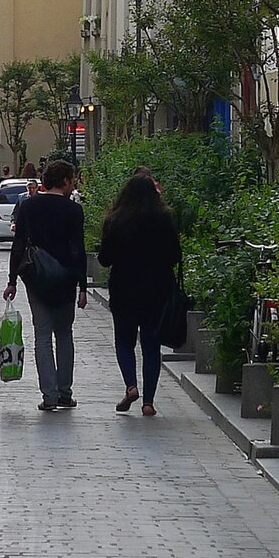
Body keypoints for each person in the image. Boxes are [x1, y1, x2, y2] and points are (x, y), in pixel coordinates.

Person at [4, 159, 88, 413]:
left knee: (42, 335)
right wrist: (83, 286)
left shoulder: (29, 206)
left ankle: (49, 394)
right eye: (71, 180)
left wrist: (12, 281)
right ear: (64, 181)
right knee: (64, 334)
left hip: (37, 278)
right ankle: (65, 392)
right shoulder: (74, 211)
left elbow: (18, 245)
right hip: (65, 278)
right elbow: (79, 250)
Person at [97, 172, 181, 417]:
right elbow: (176, 255)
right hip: (157, 289)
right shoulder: (164, 219)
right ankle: (149, 402)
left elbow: (104, 259)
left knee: (124, 341)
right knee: (151, 345)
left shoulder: (115, 220)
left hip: (124, 289)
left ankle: (131, 386)